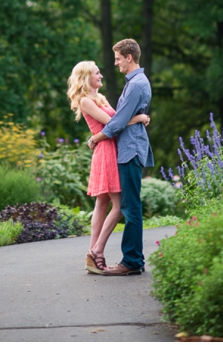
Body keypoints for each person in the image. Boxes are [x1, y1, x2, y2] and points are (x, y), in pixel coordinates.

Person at [67, 61, 149, 274]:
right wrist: (139, 118)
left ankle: (92, 254)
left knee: (102, 203)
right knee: (119, 204)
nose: (101, 75)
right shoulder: (85, 100)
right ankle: (96, 252)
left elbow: (117, 121)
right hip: (106, 151)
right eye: (97, 73)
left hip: (111, 146)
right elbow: (114, 123)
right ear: (86, 77)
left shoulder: (99, 98)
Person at [86, 38, 154, 276]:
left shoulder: (136, 84)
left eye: (117, 58)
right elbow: (123, 119)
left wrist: (95, 139)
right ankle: (131, 260)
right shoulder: (136, 82)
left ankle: (132, 261)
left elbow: (117, 123)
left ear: (129, 57)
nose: (115, 63)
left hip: (129, 149)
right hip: (129, 148)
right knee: (129, 205)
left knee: (130, 207)